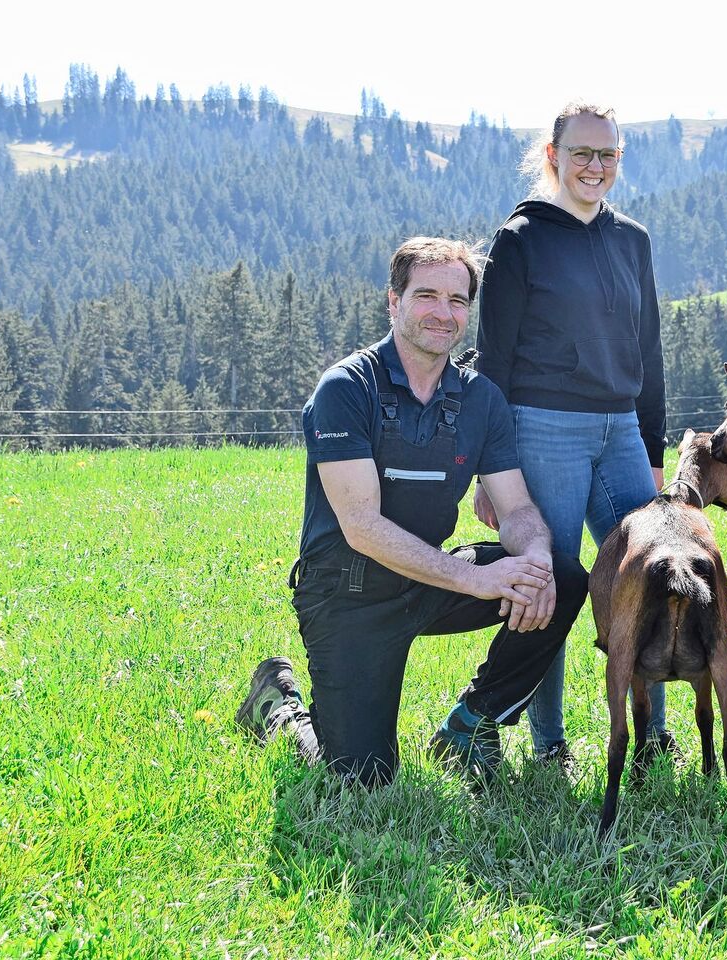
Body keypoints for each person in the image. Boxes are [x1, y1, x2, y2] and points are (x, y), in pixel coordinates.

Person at [236, 236, 589, 787]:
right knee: (362, 780)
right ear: (394, 301)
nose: (443, 313)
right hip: (347, 592)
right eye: (427, 296)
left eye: (457, 301)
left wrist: (536, 562)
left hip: (426, 577)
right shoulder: (346, 389)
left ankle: (471, 724)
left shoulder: (480, 399)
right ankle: (278, 707)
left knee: (562, 578)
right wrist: (475, 579)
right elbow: (362, 527)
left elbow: (517, 507)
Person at [472, 101, 669, 771]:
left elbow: (649, 351)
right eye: (582, 153)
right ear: (554, 156)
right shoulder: (520, 239)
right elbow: (493, 363)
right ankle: (548, 742)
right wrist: (491, 474)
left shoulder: (633, 240)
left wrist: (653, 451)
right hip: (542, 427)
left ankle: (652, 733)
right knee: (549, 583)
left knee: (651, 574)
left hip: (622, 431)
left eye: (608, 154)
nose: (595, 166)